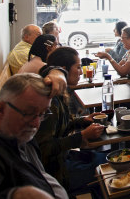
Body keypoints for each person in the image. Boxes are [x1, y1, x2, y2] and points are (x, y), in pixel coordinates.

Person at [0, 71, 69, 199]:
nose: (36, 124)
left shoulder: (13, 129)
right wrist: (13, 196)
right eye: (29, 112)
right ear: (1, 109)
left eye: (43, 113)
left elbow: (52, 72)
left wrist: (58, 73)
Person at [35, 47, 105, 191]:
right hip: (56, 171)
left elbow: (61, 126)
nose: (81, 72)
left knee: (105, 158)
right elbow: (44, 149)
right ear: (63, 70)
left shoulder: (59, 94)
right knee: (107, 167)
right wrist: (82, 136)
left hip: (65, 157)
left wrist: (82, 121)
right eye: (78, 67)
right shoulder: (50, 102)